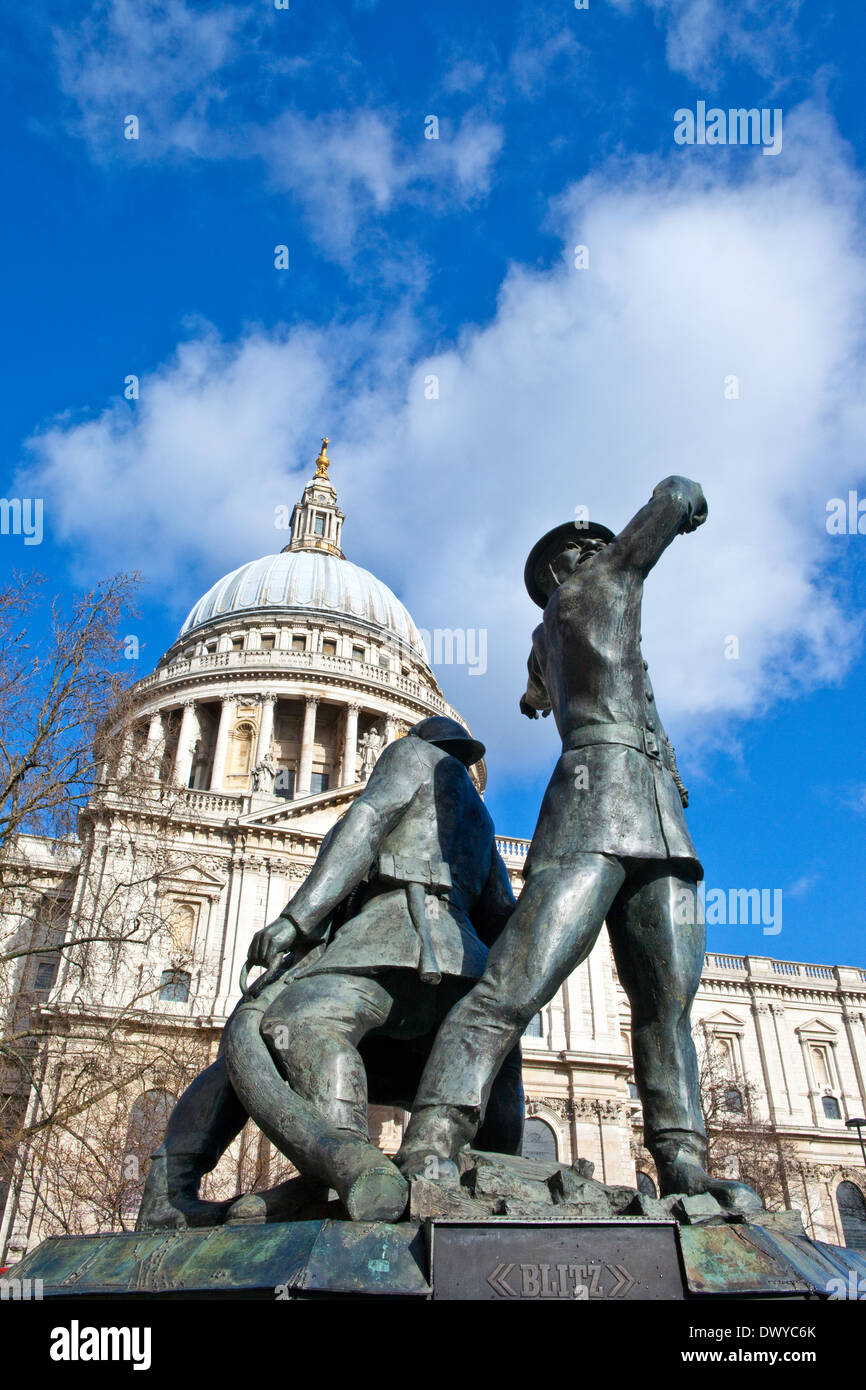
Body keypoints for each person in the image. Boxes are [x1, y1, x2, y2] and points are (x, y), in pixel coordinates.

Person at [396, 477, 762, 1213]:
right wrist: (686, 500)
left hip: (655, 818)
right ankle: (433, 1134)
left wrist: (541, 692)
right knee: (518, 982)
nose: (607, 554)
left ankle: (681, 1158)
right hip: (599, 804)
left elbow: (535, 693)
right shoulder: (597, 587)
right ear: (571, 567)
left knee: (666, 1003)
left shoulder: (551, 635)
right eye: (592, 549)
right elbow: (671, 502)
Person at [137, 716, 522, 1229]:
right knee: (491, 1062)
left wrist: (296, 920)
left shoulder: (410, 757)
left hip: (394, 945)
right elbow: (501, 914)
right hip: (459, 977)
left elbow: (365, 823)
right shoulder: (480, 821)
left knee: (288, 1027)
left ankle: (339, 1166)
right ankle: (482, 1181)